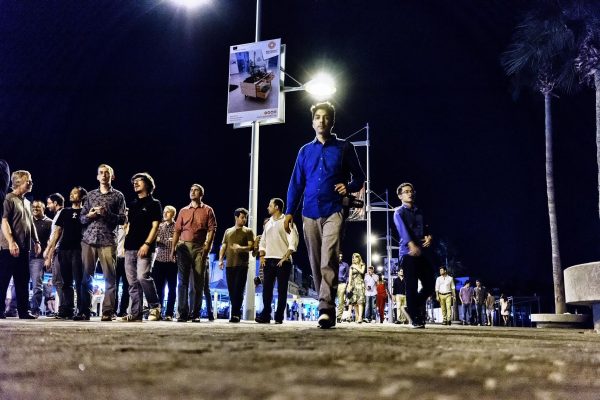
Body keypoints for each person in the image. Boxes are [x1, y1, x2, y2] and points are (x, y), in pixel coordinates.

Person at [285, 101, 365, 329]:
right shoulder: (304, 151)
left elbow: (360, 177)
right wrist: (289, 211)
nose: (321, 120)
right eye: (317, 117)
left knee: (329, 258)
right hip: (309, 212)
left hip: (335, 210)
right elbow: (296, 183)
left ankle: (325, 309)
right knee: (315, 262)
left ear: (332, 121)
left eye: (326, 117)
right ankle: (326, 305)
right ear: (312, 122)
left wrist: (348, 187)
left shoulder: (344, 147)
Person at [80, 164, 126, 321]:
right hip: (89, 240)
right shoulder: (90, 195)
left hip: (107, 240)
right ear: (97, 177)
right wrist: (90, 216)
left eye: (107, 173)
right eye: (101, 173)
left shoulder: (118, 196)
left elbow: (122, 219)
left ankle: (107, 311)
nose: (104, 175)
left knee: (109, 277)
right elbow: (81, 218)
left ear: (112, 176)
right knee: (87, 277)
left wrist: (107, 214)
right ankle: (84, 310)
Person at [171, 184, 216, 322]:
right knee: (182, 281)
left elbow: (212, 229)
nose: (192, 192)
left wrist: (207, 246)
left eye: (195, 190)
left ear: (201, 194)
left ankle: (195, 313)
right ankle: (182, 313)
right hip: (183, 247)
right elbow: (177, 230)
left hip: (199, 248)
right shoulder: (183, 211)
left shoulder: (208, 210)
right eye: (191, 190)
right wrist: (173, 248)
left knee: (198, 282)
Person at [121, 173, 162, 322]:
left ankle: (155, 306)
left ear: (148, 184)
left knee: (142, 276)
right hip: (129, 246)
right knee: (132, 282)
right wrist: (124, 244)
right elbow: (129, 226)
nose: (135, 183)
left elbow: (155, 226)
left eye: (139, 181)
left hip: (145, 246)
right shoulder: (132, 204)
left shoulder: (154, 203)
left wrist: (147, 244)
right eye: (134, 182)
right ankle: (136, 313)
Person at [393, 182, 435, 328]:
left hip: (422, 252)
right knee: (411, 286)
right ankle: (414, 318)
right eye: (406, 191)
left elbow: (427, 227)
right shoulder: (399, 212)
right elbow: (402, 229)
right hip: (408, 252)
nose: (409, 193)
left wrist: (429, 237)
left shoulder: (419, 211)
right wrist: (411, 244)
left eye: (411, 191)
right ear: (400, 196)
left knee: (430, 285)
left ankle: (411, 308)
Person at [0, 170, 41, 319]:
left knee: (23, 280)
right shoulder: (8, 199)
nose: (31, 183)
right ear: (18, 182)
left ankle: (23, 311)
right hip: (8, 248)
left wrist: (36, 241)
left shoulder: (27, 201)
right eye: (28, 181)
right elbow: (4, 221)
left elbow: (31, 223)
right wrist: (11, 242)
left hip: (24, 248)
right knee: (3, 280)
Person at [45, 187, 87, 319]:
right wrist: (50, 250)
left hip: (78, 250)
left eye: (75, 193)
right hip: (64, 249)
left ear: (82, 197)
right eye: (71, 193)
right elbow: (57, 232)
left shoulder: (85, 212)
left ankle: (82, 310)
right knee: (66, 282)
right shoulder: (65, 211)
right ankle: (67, 309)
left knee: (79, 281)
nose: (72, 195)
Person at [255, 198, 299, 325]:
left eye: (270, 205)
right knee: (267, 289)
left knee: (282, 290)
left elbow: (294, 239)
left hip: (283, 261)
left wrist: (286, 256)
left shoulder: (286, 221)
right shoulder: (268, 223)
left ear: (277, 207)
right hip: (269, 260)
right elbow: (263, 241)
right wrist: (262, 256)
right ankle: (265, 315)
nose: (268, 207)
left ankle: (279, 316)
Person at [218, 208, 255, 323]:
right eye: (242, 217)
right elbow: (223, 246)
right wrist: (220, 260)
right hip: (229, 265)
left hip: (242, 265)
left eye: (246, 218)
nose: (244, 220)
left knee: (239, 290)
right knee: (231, 290)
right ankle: (235, 313)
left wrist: (240, 248)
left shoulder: (248, 231)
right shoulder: (228, 231)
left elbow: (251, 247)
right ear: (236, 217)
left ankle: (235, 315)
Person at [29, 200, 52, 317]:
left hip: (38, 258)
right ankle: (13, 308)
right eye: (33, 207)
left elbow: (51, 242)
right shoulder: (28, 220)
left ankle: (35, 309)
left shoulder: (49, 223)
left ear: (44, 209)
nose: (35, 209)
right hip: (23, 256)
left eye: (38, 207)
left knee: (37, 285)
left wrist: (48, 257)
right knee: (18, 285)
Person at [154, 205, 177, 321]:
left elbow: (175, 243)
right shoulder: (160, 226)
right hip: (159, 260)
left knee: (172, 289)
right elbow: (156, 241)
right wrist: (166, 241)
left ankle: (169, 313)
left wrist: (163, 241)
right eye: (164, 212)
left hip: (172, 261)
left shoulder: (177, 227)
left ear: (173, 214)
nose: (165, 214)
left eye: (168, 212)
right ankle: (158, 312)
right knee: (158, 288)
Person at [44, 193, 65, 314]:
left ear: (55, 203)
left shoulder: (60, 215)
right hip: (57, 250)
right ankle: (63, 308)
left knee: (58, 280)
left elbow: (57, 235)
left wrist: (48, 253)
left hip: (58, 250)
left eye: (49, 203)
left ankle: (63, 309)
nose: (48, 206)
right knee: (59, 281)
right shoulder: (58, 214)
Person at [114, 217, 129, 317]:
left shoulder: (131, 227)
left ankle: (123, 310)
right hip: (116, 257)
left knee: (126, 286)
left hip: (126, 258)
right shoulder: (115, 227)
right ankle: (112, 310)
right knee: (113, 285)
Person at [346, 253, 366, 323]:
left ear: (359, 258)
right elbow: (350, 276)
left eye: (355, 257)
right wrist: (349, 285)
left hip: (360, 284)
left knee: (360, 301)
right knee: (353, 302)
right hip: (353, 285)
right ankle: (355, 317)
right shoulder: (351, 266)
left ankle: (360, 317)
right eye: (353, 257)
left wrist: (355, 266)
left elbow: (362, 271)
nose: (354, 259)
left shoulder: (362, 264)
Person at [336, 253, 349, 323]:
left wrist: (347, 284)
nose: (340, 258)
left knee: (341, 301)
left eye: (341, 256)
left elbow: (347, 275)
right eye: (339, 256)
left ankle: (338, 317)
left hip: (342, 284)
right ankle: (330, 315)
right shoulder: (332, 264)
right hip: (332, 284)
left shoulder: (345, 265)